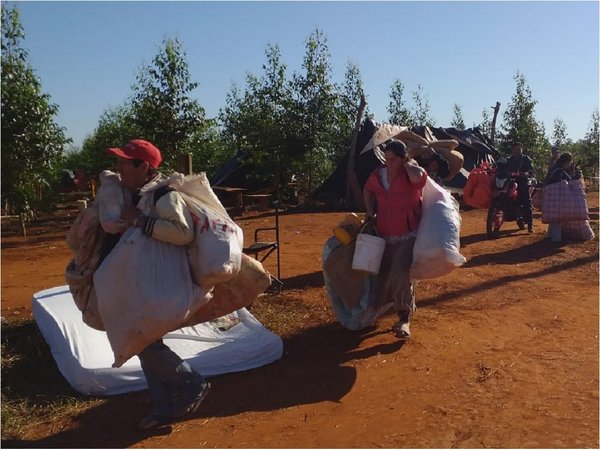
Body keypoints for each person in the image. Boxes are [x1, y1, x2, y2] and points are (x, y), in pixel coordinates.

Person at [104, 139, 210, 430]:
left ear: (145, 167)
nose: (120, 167)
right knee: (144, 339)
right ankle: (164, 408)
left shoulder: (164, 195)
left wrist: (139, 220)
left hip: (163, 282)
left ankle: (190, 383)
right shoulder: (140, 193)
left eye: (125, 162)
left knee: (143, 340)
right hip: (146, 281)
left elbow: (182, 233)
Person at [363, 139, 427, 340]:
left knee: (401, 273)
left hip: (408, 234)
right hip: (383, 233)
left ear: (402, 158)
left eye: (393, 158)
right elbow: (368, 189)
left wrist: (409, 164)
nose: (389, 161)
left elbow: (420, 180)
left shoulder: (410, 172)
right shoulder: (378, 174)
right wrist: (369, 210)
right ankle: (379, 309)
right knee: (381, 273)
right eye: (386, 157)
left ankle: (404, 318)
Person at [544, 152, 581, 242]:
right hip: (557, 197)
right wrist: (578, 174)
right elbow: (570, 180)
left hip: (549, 197)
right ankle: (556, 239)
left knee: (553, 218)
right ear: (567, 162)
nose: (569, 165)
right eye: (570, 163)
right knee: (559, 218)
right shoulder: (560, 171)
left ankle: (550, 236)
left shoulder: (553, 169)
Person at [504, 142, 535, 232]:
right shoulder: (509, 160)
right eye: (514, 149)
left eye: (518, 149)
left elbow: (531, 171)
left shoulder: (526, 159)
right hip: (510, 183)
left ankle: (530, 225)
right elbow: (502, 167)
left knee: (526, 202)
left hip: (522, 182)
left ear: (522, 149)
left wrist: (527, 173)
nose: (516, 151)